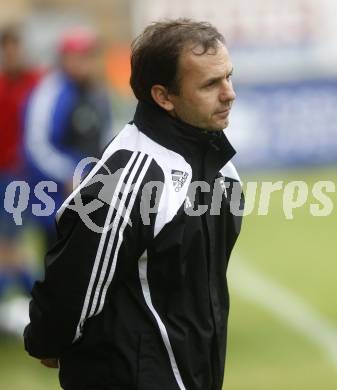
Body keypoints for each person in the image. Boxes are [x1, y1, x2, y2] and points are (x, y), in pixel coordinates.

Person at [24, 19, 244, 390]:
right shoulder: (128, 178)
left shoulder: (222, 168)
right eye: (210, 84)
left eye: (228, 76)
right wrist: (48, 339)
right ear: (163, 96)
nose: (229, 93)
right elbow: (71, 282)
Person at [24, 26, 113, 248]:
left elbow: (106, 137)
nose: (82, 63)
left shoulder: (97, 92)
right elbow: (37, 146)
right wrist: (69, 175)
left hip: (92, 192)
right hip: (55, 198)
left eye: (88, 56)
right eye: (76, 56)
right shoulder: (50, 91)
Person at [0, 25, 41, 299]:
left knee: (16, 238)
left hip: (29, 174)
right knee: (9, 239)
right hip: (5, 173)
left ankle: (31, 289)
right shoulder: (2, 85)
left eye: (16, 48)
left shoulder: (37, 83)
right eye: (8, 50)